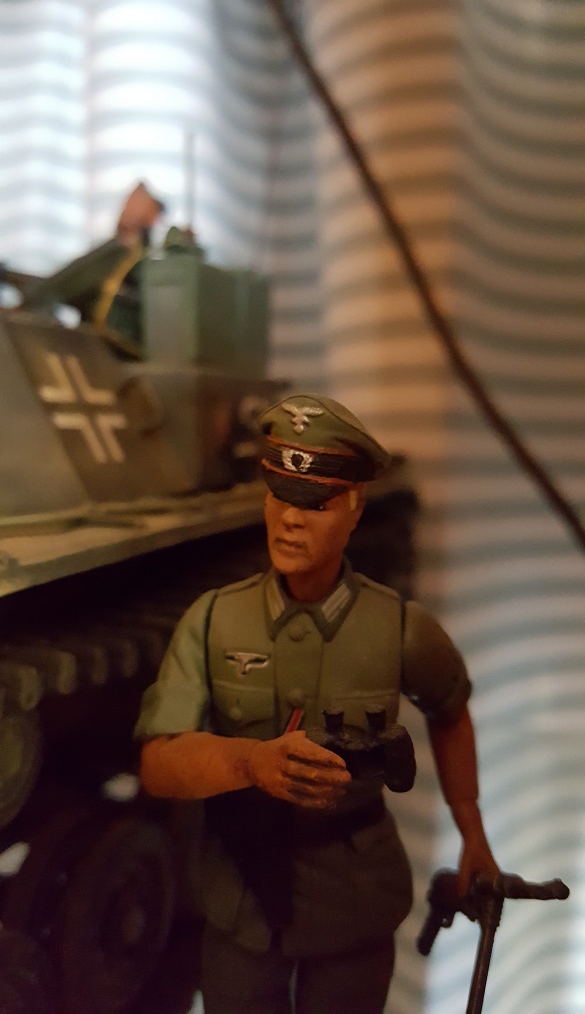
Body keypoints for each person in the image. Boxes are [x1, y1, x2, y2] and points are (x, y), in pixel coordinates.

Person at [135, 393, 498, 1014]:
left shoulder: (399, 628)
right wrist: (250, 763)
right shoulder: (214, 620)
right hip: (242, 893)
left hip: (353, 894)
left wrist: (472, 832)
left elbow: (449, 708)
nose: (290, 520)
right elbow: (158, 764)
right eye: (279, 496)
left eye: (316, 503)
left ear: (354, 506)